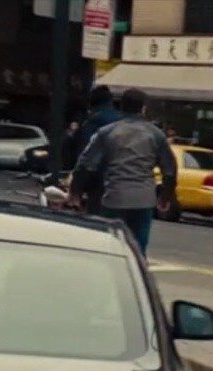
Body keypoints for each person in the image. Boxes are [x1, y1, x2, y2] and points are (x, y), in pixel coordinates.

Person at [71, 88, 176, 256]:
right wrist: (165, 196)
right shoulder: (156, 134)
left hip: (114, 195)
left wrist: (75, 192)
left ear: (121, 107)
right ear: (143, 109)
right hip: (143, 198)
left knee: (110, 243)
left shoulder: (106, 132)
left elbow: (86, 164)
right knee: (138, 246)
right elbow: (169, 169)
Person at [72, 85, 121, 214]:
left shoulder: (92, 124)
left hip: (99, 183)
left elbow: (86, 158)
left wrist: (77, 188)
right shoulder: (123, 123)